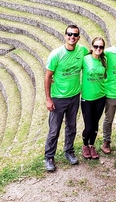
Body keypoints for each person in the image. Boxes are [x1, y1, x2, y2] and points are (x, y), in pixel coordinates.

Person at [44, 24, 87, 172]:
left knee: (71, 126)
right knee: (54, 129)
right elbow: (48, 76)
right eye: (69, 34)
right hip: (58, 98)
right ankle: (49, 157)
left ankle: (69, 151)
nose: (72, 37)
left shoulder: (82, 51)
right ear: (65, 36)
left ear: (79, 37)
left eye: (75, 35)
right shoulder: (56, 54)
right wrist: (48, 99)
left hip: (74, 96)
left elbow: (94, 56)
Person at [81, 37, 107, 159]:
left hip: (101, 96)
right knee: (89, 125)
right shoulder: (85, 59)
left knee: (96, 123)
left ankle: (92, 145)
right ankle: (85, 145)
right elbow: (72, 68)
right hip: (87, 98)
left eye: (101, 47)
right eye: (96, 46)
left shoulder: (104, 60)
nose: (98, 49)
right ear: (92, 47)